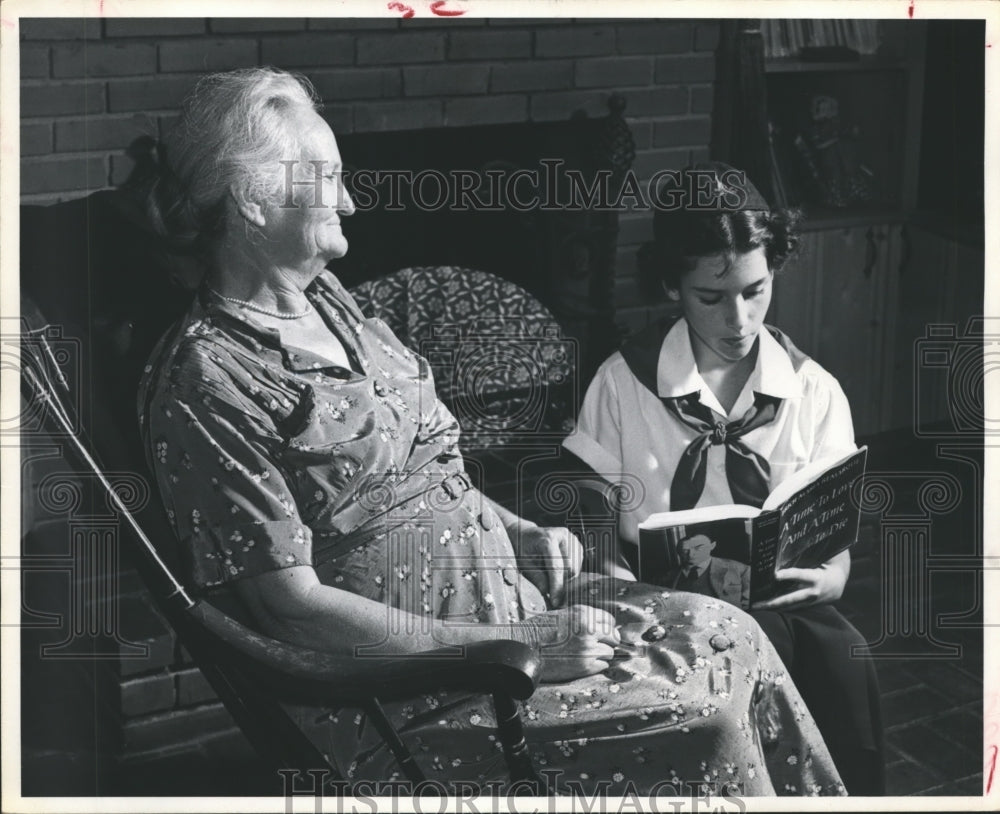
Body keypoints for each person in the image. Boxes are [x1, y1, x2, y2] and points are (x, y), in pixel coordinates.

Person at [137, 68, 847, 796]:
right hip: (426, 696)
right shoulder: (205, 383)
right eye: (327, 179)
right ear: (253, 202)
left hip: (512, 611)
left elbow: (430, 471)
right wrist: (517, 644)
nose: (350, 200)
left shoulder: (327, 303)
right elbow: (288, 607)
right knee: (707, 717)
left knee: (737, 635)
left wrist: (516, 531)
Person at [562, 162, 884, 794]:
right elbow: (595, 535)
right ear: (671, 286)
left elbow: (833, 537)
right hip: (659, 611)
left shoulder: (814, 391)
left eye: (755, 290)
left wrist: (833, 574)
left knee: (846, 669)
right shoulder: (621, 383)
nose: (739, 319)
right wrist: (614, 586)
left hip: (780, 609)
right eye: (711, 297)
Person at [664, 532, 751, 609]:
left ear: (712, 546)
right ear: (678, 552)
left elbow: (749, 604)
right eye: (685, 550)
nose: (691, 554)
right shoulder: (668, 575)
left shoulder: (740, 569)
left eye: (698, 548)